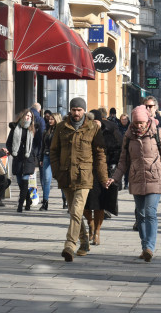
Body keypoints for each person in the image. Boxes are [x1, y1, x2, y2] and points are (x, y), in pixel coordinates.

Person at [108, 105, 161, 262]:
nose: (139, 126)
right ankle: (144, 246)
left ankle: (150, 247)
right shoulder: (128, 136)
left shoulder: (157, 133)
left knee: (150, 212)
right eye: (136, 123)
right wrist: (115, 177)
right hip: (136, 178)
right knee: (140, 215)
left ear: (148, 120)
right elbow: (123, 160)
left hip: (155, 177)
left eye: (142, 122)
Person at [50, 97, 109, 262]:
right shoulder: (61, 127)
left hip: (84, 176)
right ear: (70, 110)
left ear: (84, 111)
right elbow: (54, 151)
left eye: (79, 110)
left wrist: (104, 178)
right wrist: (56, 171)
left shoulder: (93, 128)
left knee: (76, 211)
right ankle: (84, 242)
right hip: (65, 175)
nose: (76, 113)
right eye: (74, 110)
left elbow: (99, 154)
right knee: (73, 212)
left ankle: (69, 245)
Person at [82, 108, 123, 247]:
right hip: (86, 171)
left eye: (96, 122)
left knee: (99, 204)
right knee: (85, 205)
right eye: (91, 121)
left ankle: (97, 232)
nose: (94, 124)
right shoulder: (84, 132)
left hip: (103, 172)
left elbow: (118, 149)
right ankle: (91, 224)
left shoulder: (109, 132)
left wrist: (113, 167)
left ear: (101, 121)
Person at [6, 109, 41, 213]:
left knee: (25, 182)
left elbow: (37, 144)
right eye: (27, 116)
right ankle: (28, 200)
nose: (28, 118)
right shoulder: (15, 128)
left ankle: (20, 205)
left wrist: (33, 154)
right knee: (20, 183)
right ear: (22, 116)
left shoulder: (33, 129)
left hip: (28, 158)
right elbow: (9, 143)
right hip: (17, 158)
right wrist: (13, 153)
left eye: (30, 117)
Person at [41, 113, 62, 210]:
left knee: (60, 179)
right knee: (46, 180)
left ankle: (65, 200)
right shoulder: (46, 131)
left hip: (57, 157)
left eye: (52, 119)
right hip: (46, 156)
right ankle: (45, 203)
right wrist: (41, 158)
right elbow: (43, 146)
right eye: (49, 119)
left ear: (56, 120)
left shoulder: (61, 131)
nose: (50, 121)